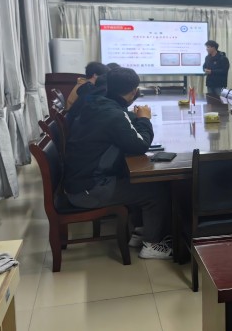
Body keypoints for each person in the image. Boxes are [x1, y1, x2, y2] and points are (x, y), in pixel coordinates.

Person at [63, 67, 172, 259]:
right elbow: (140, 144)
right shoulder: (112, 113)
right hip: (88, 190)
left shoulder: (98, 103)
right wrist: (145, 119)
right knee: (155, 190)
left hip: (78, 182)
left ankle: (139, 233)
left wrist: (136, 119)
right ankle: (152, 245)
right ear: (134, 91)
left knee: (138, 180)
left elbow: (122, 124)